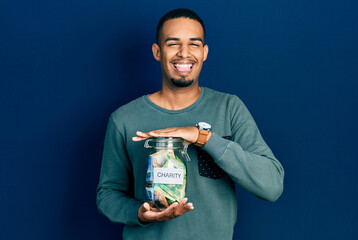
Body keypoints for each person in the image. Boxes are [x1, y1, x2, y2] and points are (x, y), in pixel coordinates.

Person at [96, 8, 284, 240]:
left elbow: (272, 186)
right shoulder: (124, 119)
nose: (184, 53)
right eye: (173, 44)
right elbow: (108, 194)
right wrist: (139, 214)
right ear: (157, 51)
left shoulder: (229, 108)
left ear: (204, 52)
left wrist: (203, 137)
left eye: (194, 44)